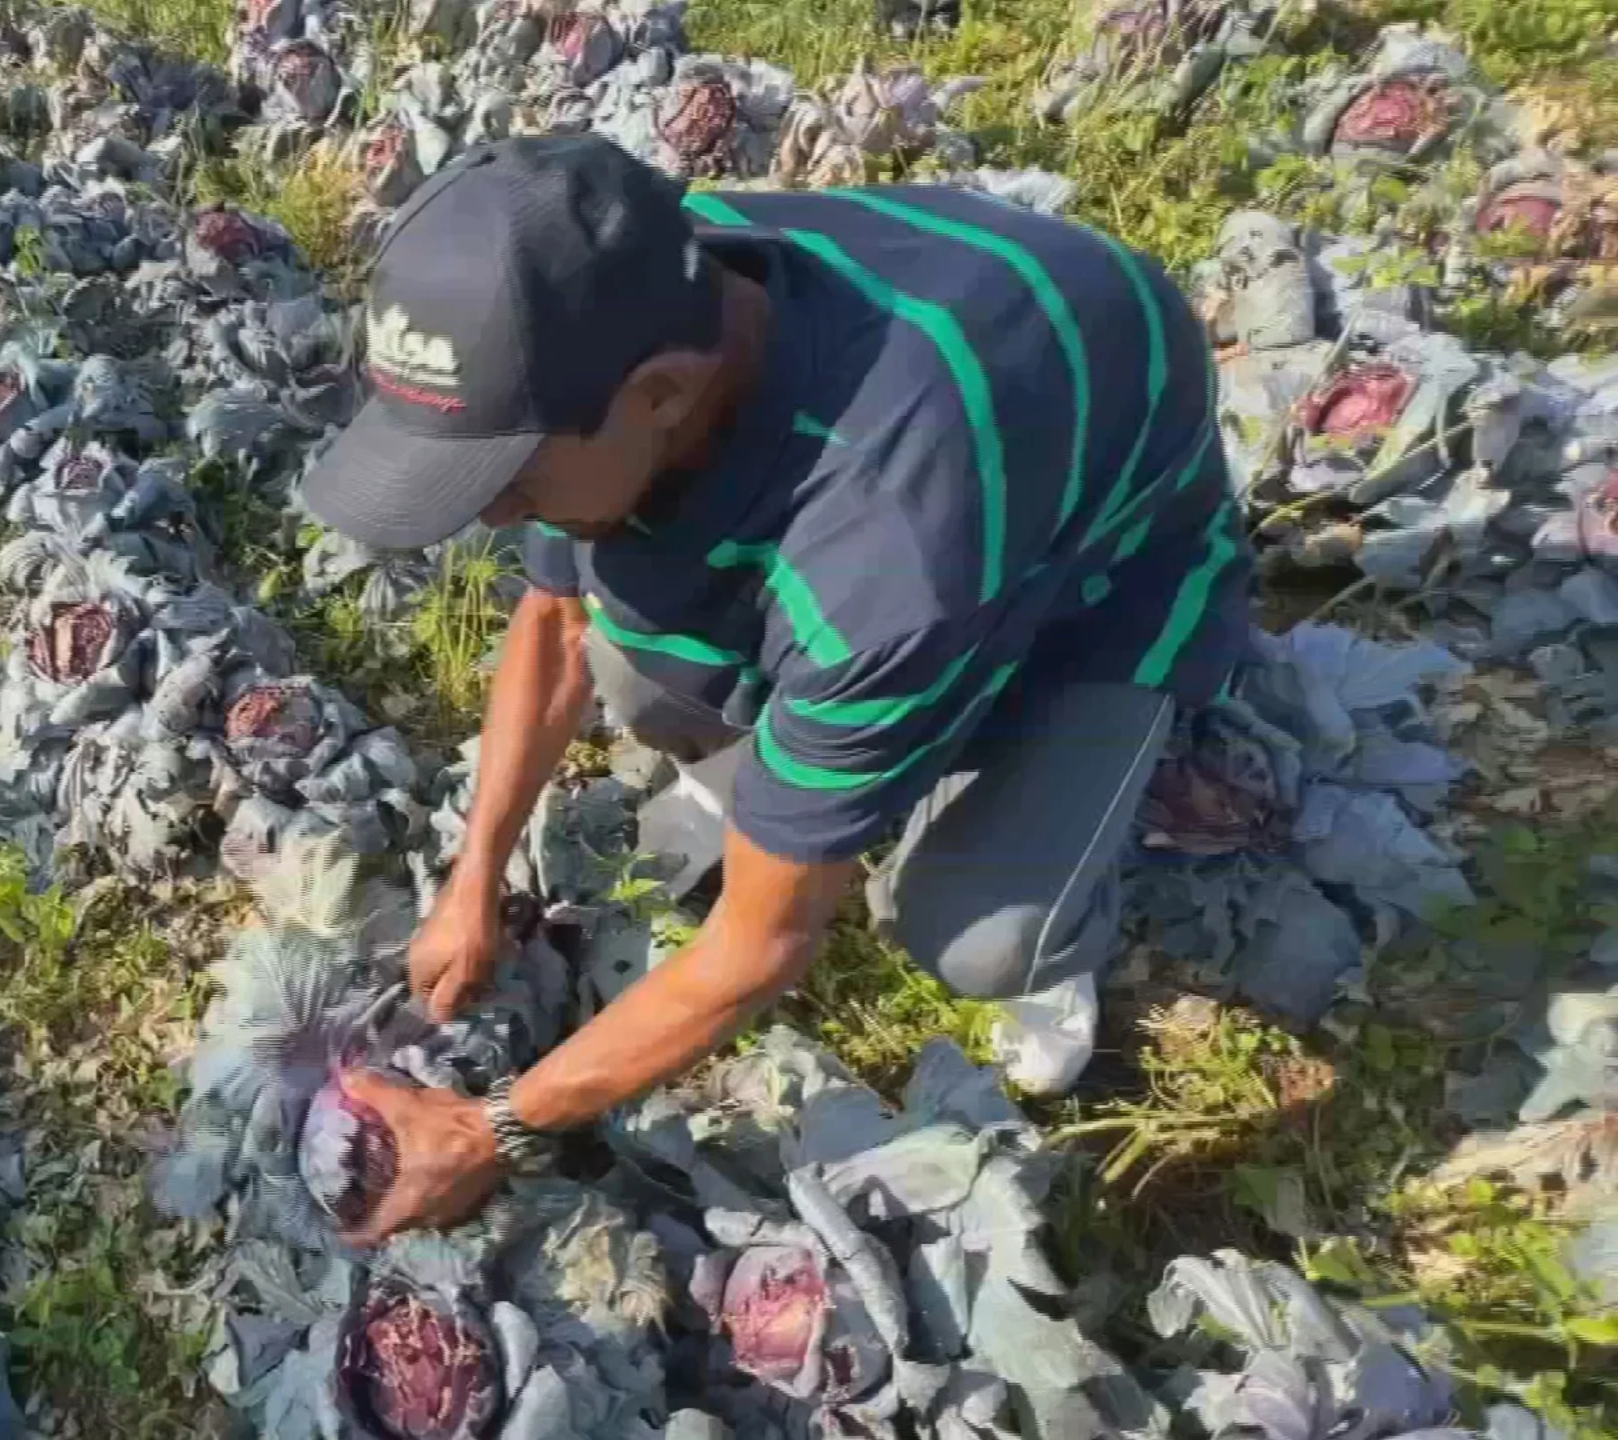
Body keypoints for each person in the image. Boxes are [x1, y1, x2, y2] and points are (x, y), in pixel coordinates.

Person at [298, 134, 1250, 1242]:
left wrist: (493, 1128)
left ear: (659, 394)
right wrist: (474, 874)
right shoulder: (626, 279)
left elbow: (761, 951)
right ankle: (814, 778)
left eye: (505, 478)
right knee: (631, 652)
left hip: (1103, 575)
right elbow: (553, 622)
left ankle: (1032, 884)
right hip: (965, 461)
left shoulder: (887, 550)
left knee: (976, 933)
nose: (491, 514)